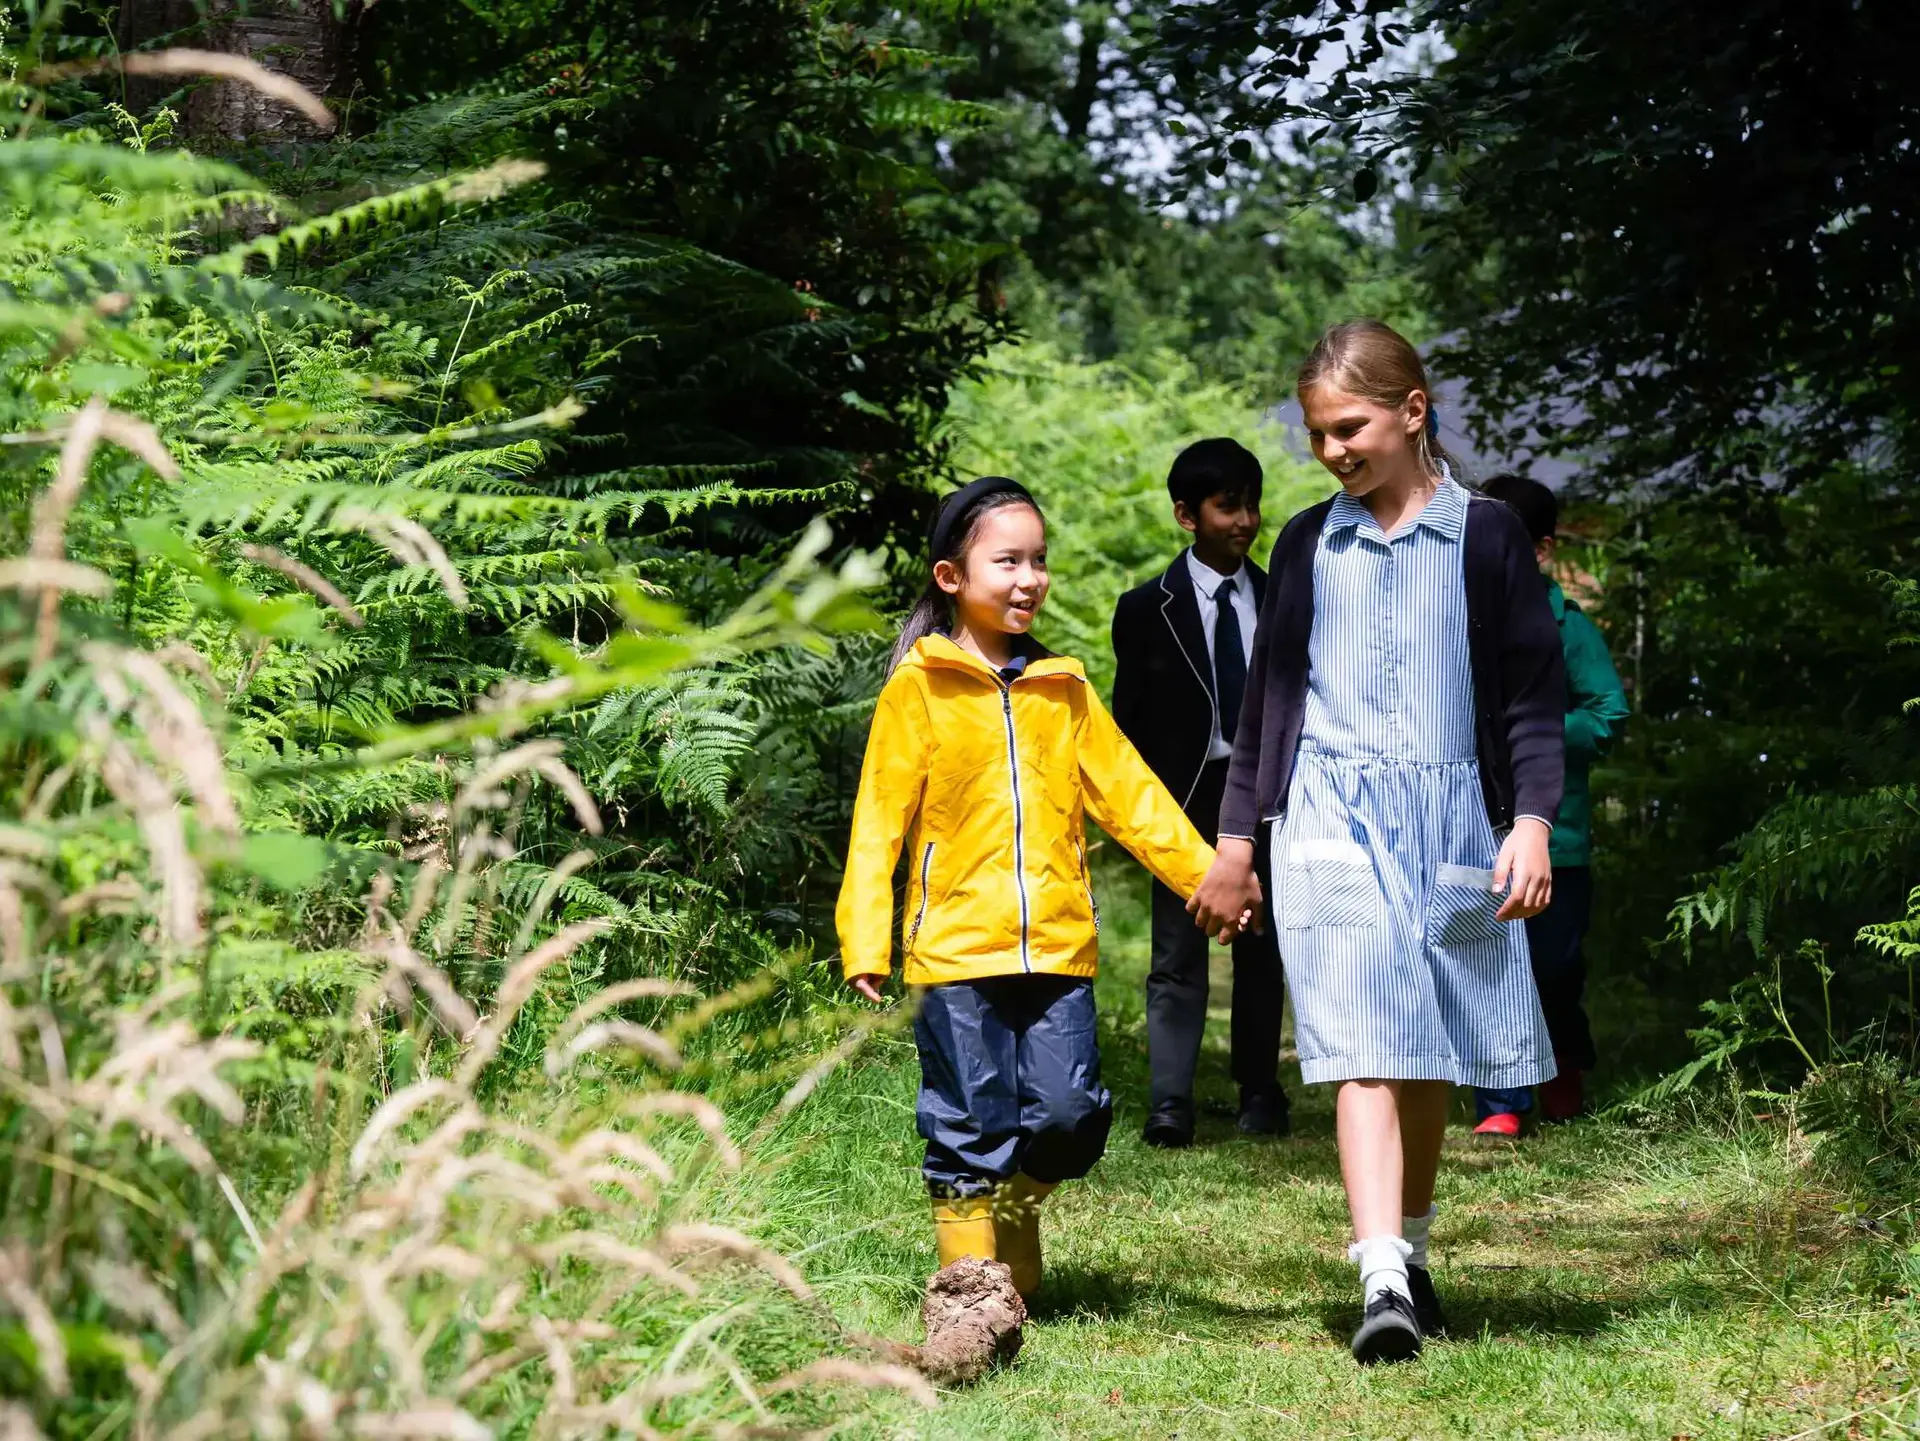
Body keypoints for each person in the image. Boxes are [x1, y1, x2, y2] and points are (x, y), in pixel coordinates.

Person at [1189, 320, 1566, 1365]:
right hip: (1329, 819)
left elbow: (1535, 694)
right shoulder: (1308, 542)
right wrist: (1236, 840)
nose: (1332, 451)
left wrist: (1530, 819)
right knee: (1358, 1045)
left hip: (1451, 819)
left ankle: (1415, 1245)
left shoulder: (1486, 535)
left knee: (1425, 1053)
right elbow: (1271, 699)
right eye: (1317, 434)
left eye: (1348, 427)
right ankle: (1381, 1278)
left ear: (1413, 410)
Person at [838, 476, 1229, 1299]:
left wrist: (1209, 879)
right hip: (953, 950)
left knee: (1068, 1121)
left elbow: (1133, 797)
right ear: (953, 577)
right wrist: (866, 936)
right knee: (967, 1121)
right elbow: (879, 819)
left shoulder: (1064, 688)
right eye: (1008, 560)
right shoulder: (920, 687)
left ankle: (1014, 1214)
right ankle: (970, 1298)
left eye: (1038, 560)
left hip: (1057, 942)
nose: (1029, 579)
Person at [1112, 438, 1290, 1147]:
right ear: (1187, 515)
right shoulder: (1144, 608)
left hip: (1268, 797)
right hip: (1182, 801)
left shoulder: (1282, 599)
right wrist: (1140, 819)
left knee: (1261, 946)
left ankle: (1260, 1089)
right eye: (1227, 506)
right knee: (1176, 954)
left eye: (1251, 503)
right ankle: (1170, 1102)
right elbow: (1132, 722)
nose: (1245, 519)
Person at [1470, 473, 1629, 1136]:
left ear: (1540, 548)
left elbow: (1608, 714)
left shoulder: (1572, 627)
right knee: (1485, 962)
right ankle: (1501, 1103)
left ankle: (1564, 1062)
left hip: (1556, 837)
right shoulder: (1458, 619)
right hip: (1473, 829)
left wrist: (1533, 729)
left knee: (1554, 967)